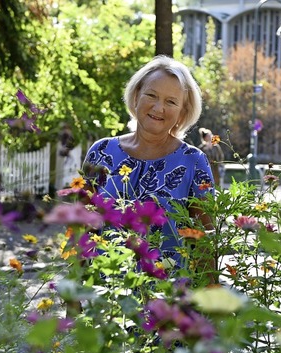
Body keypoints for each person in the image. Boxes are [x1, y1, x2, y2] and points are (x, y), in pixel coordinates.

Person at [82, 55, 215, 271]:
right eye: (151, 95)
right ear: (136, 96)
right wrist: (74, 297)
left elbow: (205, 241)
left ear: (183, 112)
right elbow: (80, 227)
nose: (158, 107)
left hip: (168, 297)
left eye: (171, 101)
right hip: (103, 295)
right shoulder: (101, 152)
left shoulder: (194, 161)